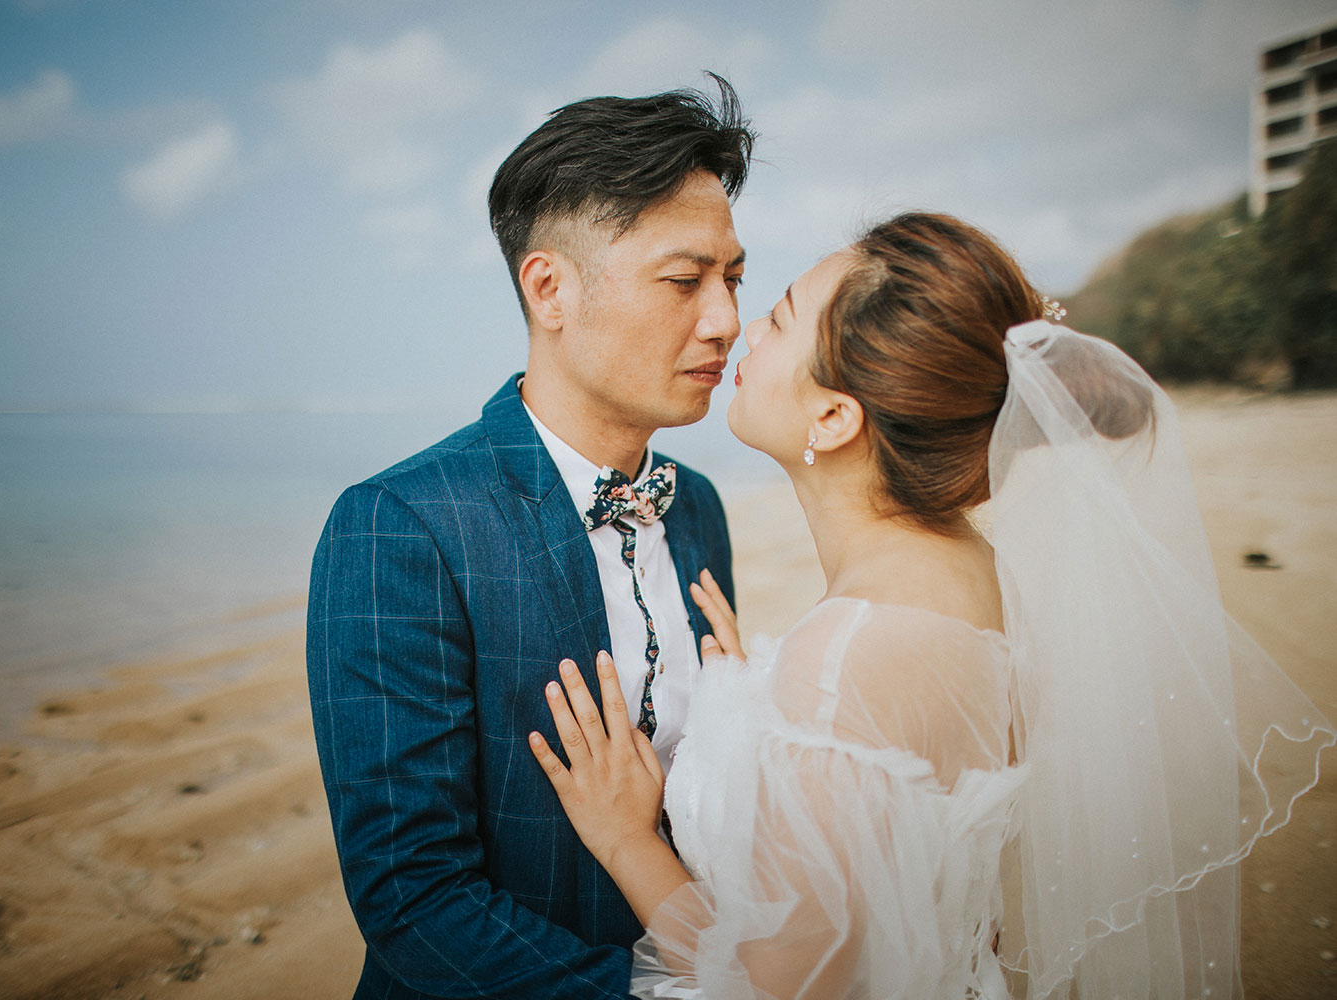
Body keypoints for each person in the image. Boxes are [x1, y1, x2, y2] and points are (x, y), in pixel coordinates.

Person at [529, 212, 1337, 998]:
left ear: (833, 416)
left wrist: (628, 841)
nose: (744, 329)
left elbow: (779, 986)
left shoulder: (846, 656)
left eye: (779, 318)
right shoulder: (983, 574)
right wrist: (755, 710)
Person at [306, 76, 754, 999]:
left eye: (733, 279)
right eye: (685, 281)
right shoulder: (399, 526)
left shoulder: (697, 507)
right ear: (549, 288)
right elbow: (413, 897)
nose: (725, 321)